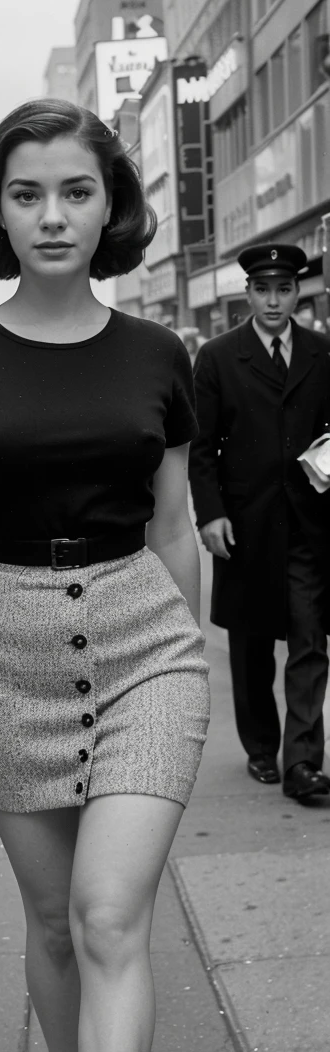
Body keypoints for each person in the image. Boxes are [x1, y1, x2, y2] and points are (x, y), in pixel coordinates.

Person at [0, 100, 210, 1052]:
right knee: (56, 922)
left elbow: (173, 524)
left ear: (111, 202)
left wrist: (190, 659)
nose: (54, 214)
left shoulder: (161, 353)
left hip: (145, 643)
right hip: (9, 651)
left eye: (77, 190)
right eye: (26, 194)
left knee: (111, 913)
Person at [189, 244, 330, 802]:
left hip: (311, 521)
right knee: (250, 646)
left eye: (284, 289)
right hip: (244, 524)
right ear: (247, 294)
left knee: (308, 637)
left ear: (298, 292)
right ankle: (260, 747)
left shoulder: (323, 352)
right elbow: (200, 447)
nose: (274, 300)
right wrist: (212, 513)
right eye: (263, 290)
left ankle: (302, 761)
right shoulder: (219, 357)